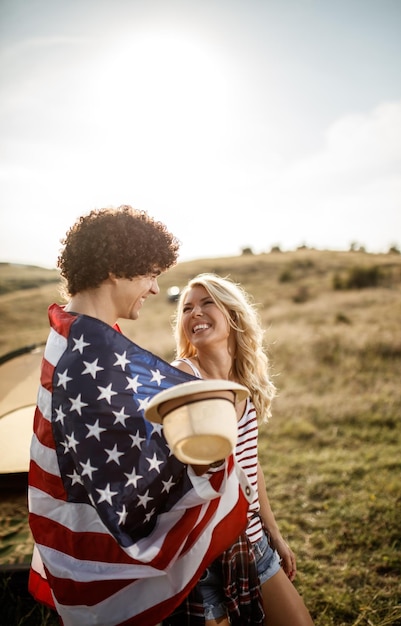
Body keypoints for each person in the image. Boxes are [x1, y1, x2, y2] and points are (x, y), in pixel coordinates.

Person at [27, 207, 253, 626]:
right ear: (116, 268)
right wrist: (204, 450)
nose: (153, 288)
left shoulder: (80, 335)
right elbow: (124, 471)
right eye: (149, 273)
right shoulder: (88, 348)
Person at [171, 273, 314, 626]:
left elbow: (250, 465)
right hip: (201, 553)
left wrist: (273, 533)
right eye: (187, 308)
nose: (195, 313)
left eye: (207, 303)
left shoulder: (243, 382)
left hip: (250, 540)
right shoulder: (183, 377)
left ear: (233, 314)